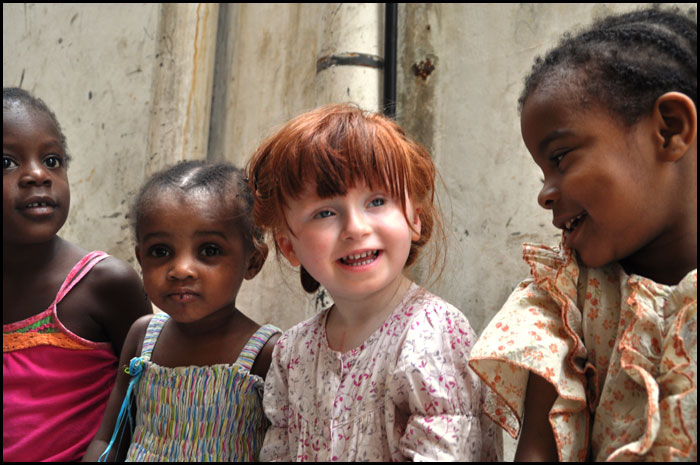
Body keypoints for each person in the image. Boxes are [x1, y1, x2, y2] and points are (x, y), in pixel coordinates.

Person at [469, 6, 697, 462]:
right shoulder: (566, 303)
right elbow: (539, 450)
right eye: (540, 175)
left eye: (560, 157)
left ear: (669, 130)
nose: (545, 196)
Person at [247, 103, 500, 461]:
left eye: (377, 201)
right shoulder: (293, 353)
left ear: (415, 218)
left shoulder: (432, 333)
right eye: (325, 212)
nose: (356, 228)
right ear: (289, 246)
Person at [82, 161, 281, 461]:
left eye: (209, 250)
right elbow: (109, 439)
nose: (181, 270)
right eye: (160, 252)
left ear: (252, 262)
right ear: (141, 259)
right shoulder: (142, 336)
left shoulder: (266, 353)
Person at [2, 88, 152, 462]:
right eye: (7, 163)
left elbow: (149, 405)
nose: (37, 174)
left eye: (52, 160)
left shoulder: (104, 285)